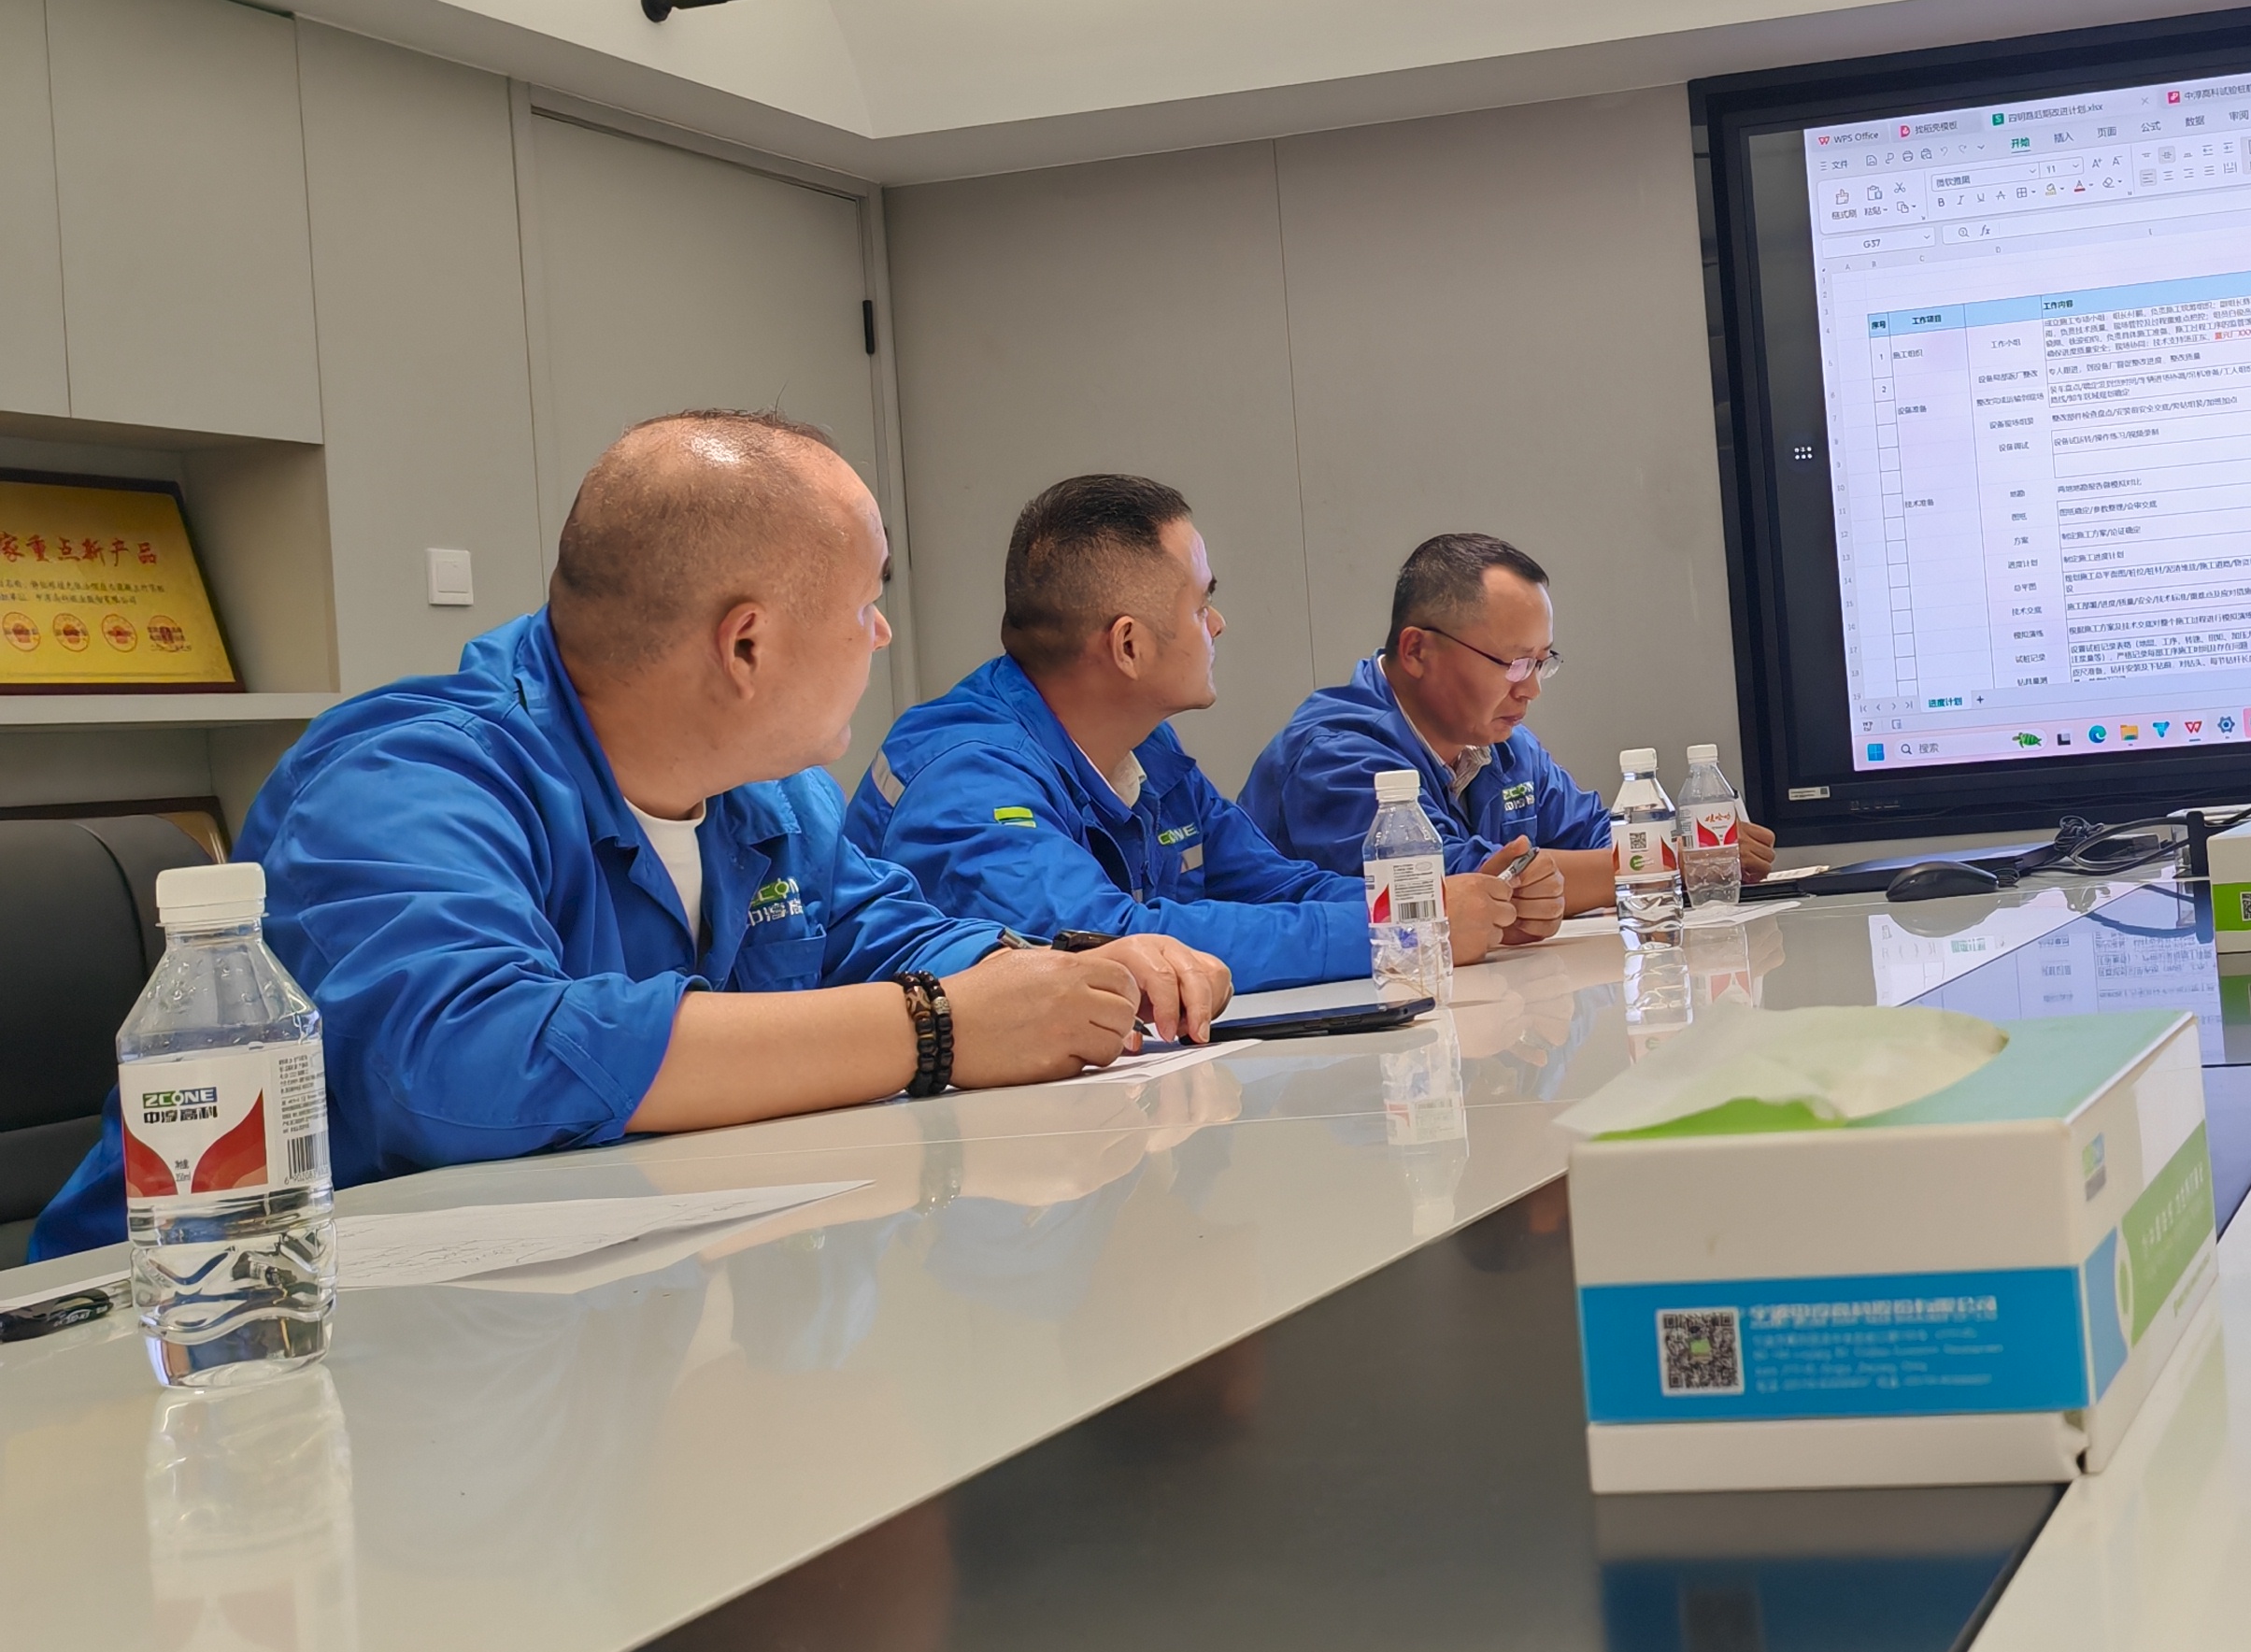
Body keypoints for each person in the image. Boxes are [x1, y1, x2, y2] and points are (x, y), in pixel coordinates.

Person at [33, 411, 1227, 1259]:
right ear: (746, 645)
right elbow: (466, 1055)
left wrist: (1052, 972)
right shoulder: (405, 776)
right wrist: (937, 1027)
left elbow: (882, 931)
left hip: (576, 1313)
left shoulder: (768, 792)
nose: (878, 637)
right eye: (866, 605)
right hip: (210, 1359)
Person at [850, 473, 1545, 985]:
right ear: (1128, 646)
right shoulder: (966, 777)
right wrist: (1404, 927)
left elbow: (1273, 885)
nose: (1217, 624)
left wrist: (1436, 902)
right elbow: (1110, 944)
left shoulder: (1146, 744)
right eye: (1200, 605)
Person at [1245, 531, 1773, 904]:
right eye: (1514, 663)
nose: (1531, 688)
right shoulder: (1333, 756)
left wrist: (1691, 845)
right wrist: (1667, 859)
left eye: (1542, 662)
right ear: (1417, 651)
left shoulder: (1502, 744)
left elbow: (1590, 834)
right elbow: (1455, 886)